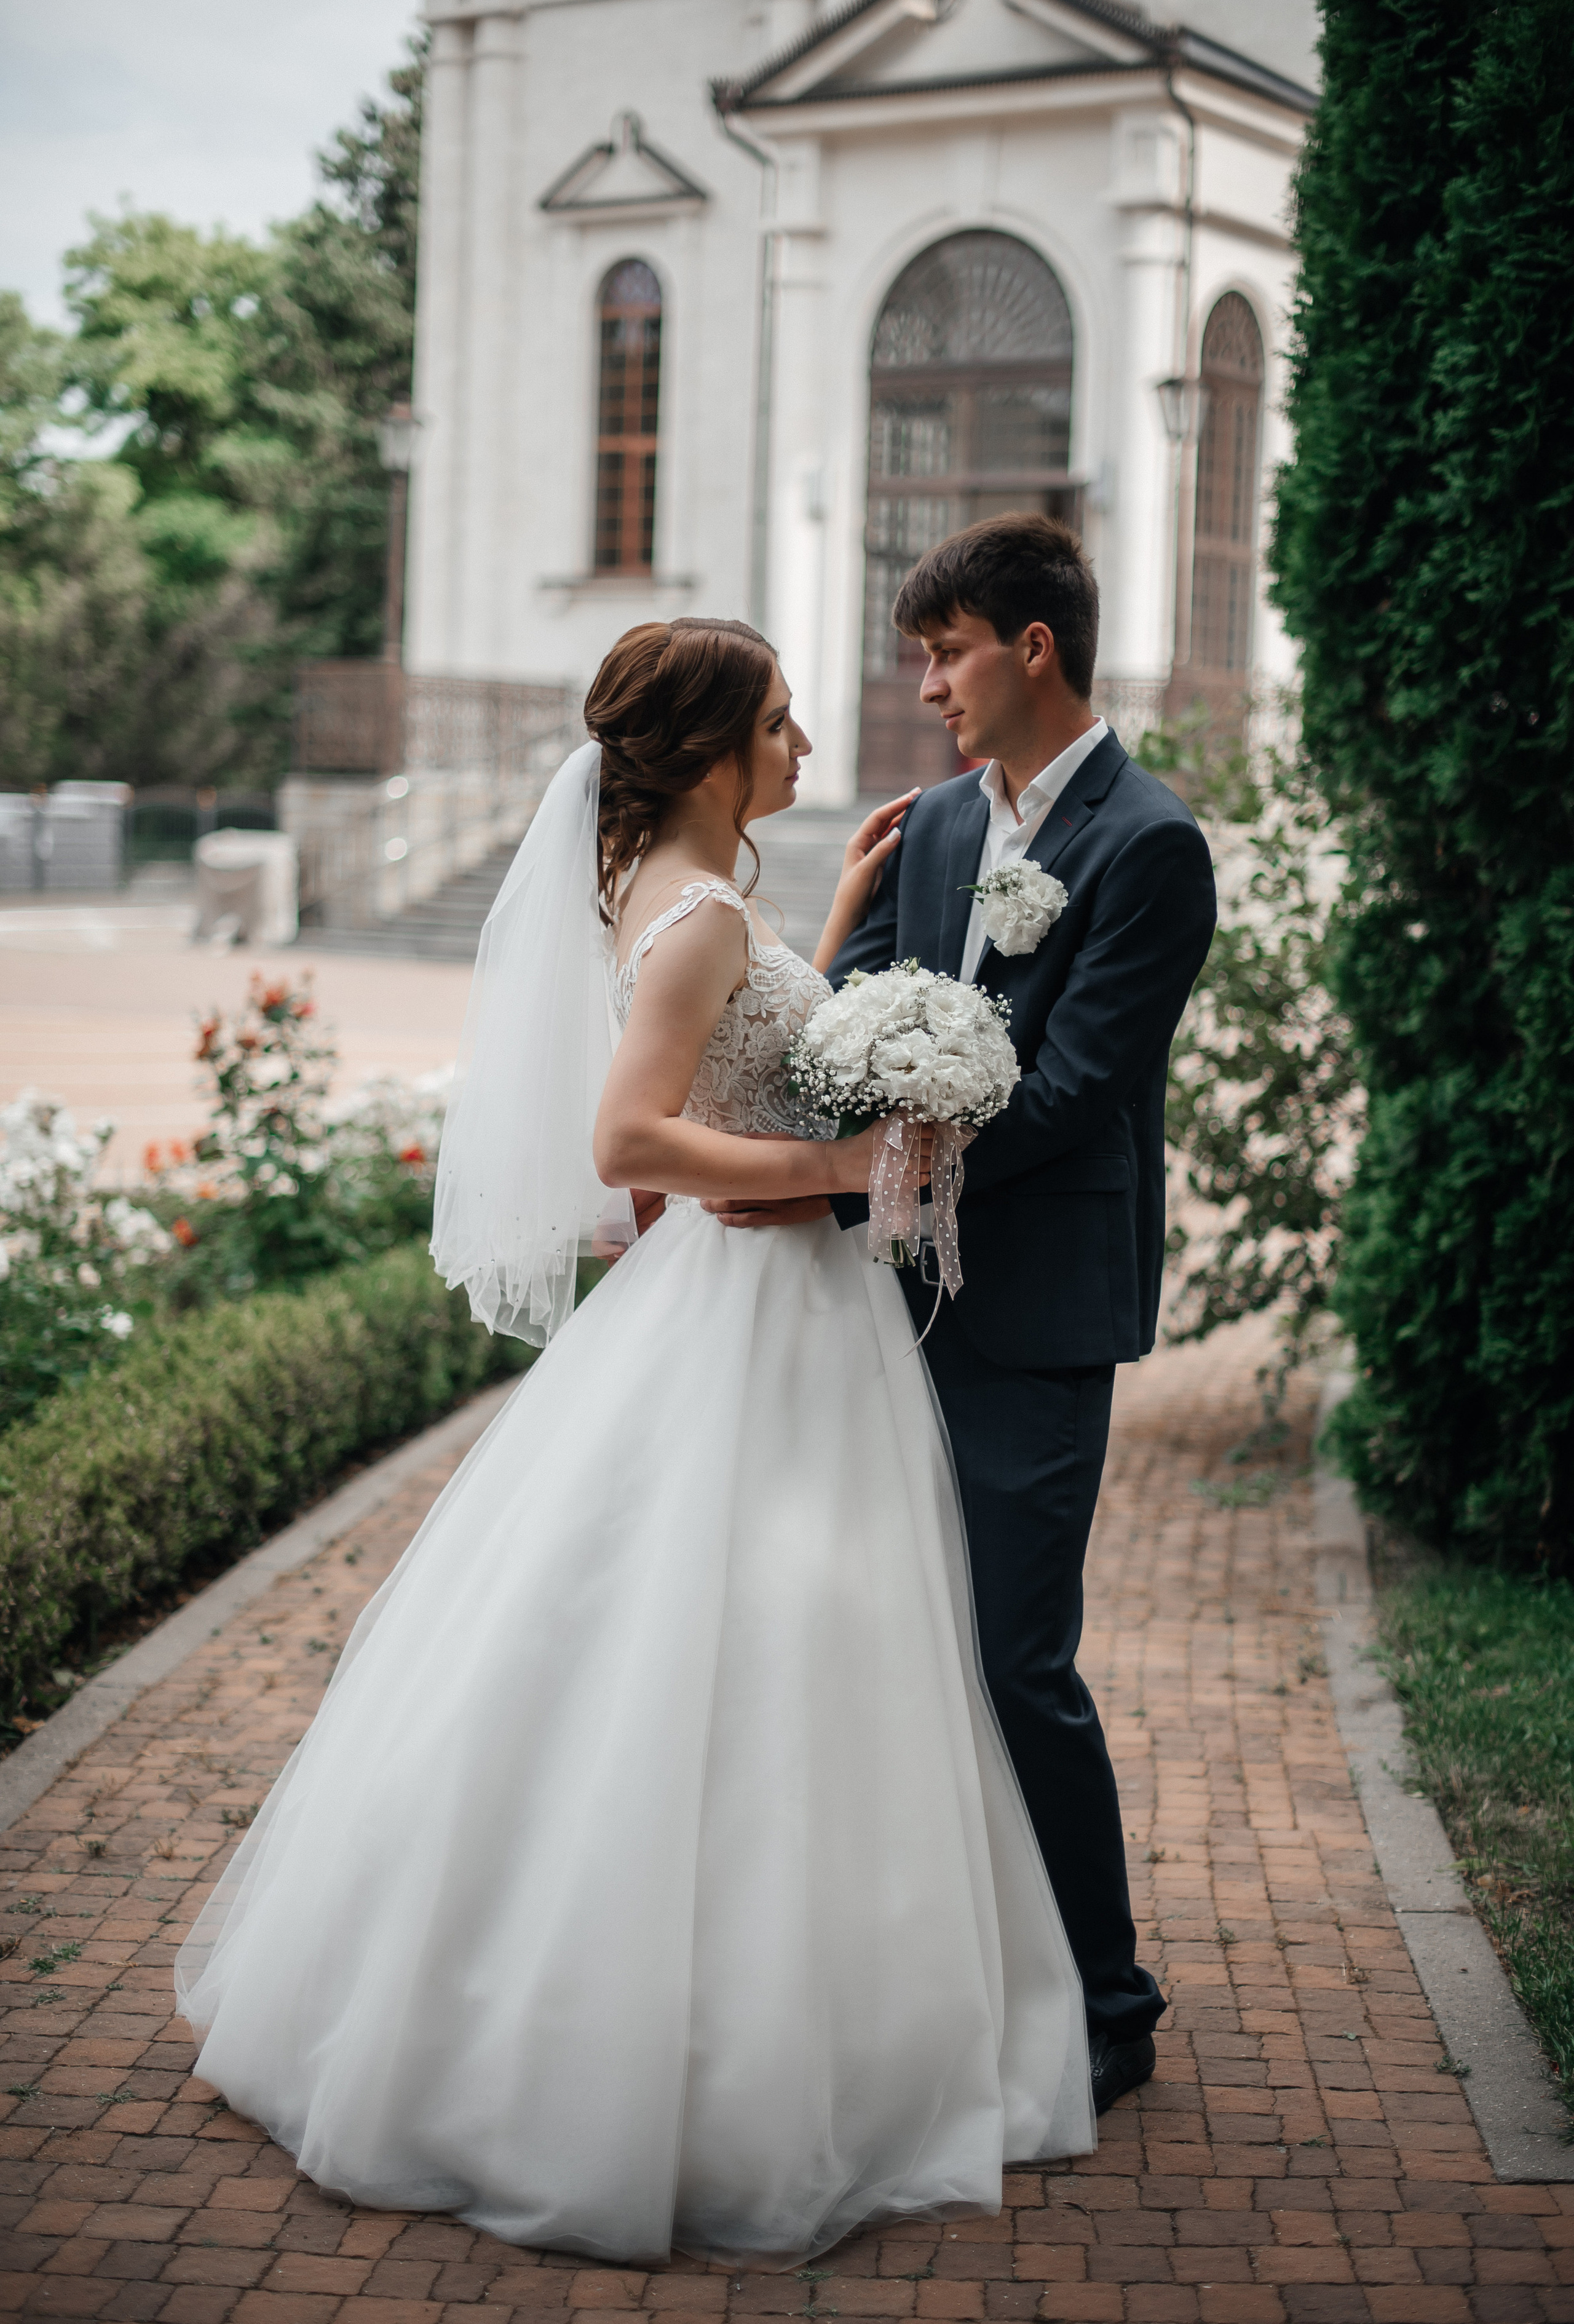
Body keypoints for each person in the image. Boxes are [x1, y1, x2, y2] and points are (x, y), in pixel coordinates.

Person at [175, 615, 1096, 2268]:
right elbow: (631, 1139)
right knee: (728, 1658)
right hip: (755, 1320)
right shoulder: (695, 917)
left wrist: (823, 951)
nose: (808, 747)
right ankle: (664, 2056)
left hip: (772, 1316)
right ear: (716, 751)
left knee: (769, 1657)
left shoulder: (684, 905)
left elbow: (731, 1047)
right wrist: (847, 1168)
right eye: (784, 723)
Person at [705, 517, 1217, 2116]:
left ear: (1034, 647)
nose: (925, 683)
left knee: (1013, 1655)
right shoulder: (931, 825)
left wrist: (842, 1172)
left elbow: (1070, 1096)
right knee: (886, 1647)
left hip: (1040, 1313)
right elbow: (860, 1020)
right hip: (883, 1307)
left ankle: (1109, 2001)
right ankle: (949, 1966)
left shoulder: (1150, 844)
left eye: (946, 651)